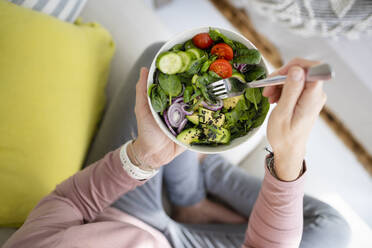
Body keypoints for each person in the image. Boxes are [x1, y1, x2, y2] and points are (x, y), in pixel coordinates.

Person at [3, 43, 350, 248]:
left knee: (158, 61)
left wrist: (143, 157)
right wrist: (287, 155)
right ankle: (201, 173)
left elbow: (68, 202)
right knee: (333, 228)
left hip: (124, 210)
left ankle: (191, 193)